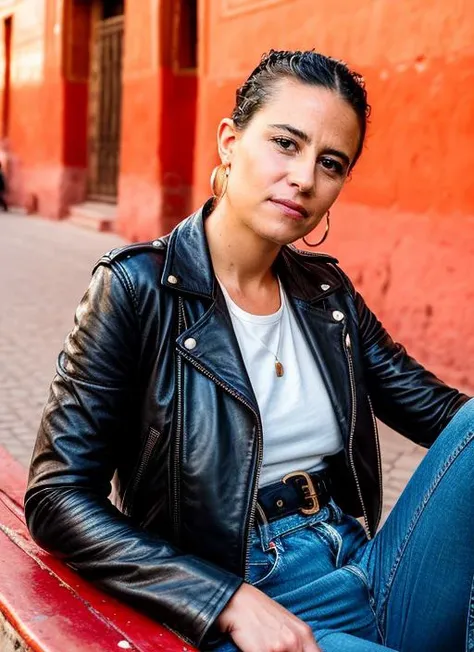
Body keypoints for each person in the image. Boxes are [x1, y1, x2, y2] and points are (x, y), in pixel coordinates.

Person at [25, 50, 473, 652]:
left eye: (331, 163)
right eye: (286, 143)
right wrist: (222, 599)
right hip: (248, 594)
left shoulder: (326, 294)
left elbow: (446, 420)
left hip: (368, 565)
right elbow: (56, 497)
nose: (306, 178)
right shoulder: (136, 289)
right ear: (230, 142)